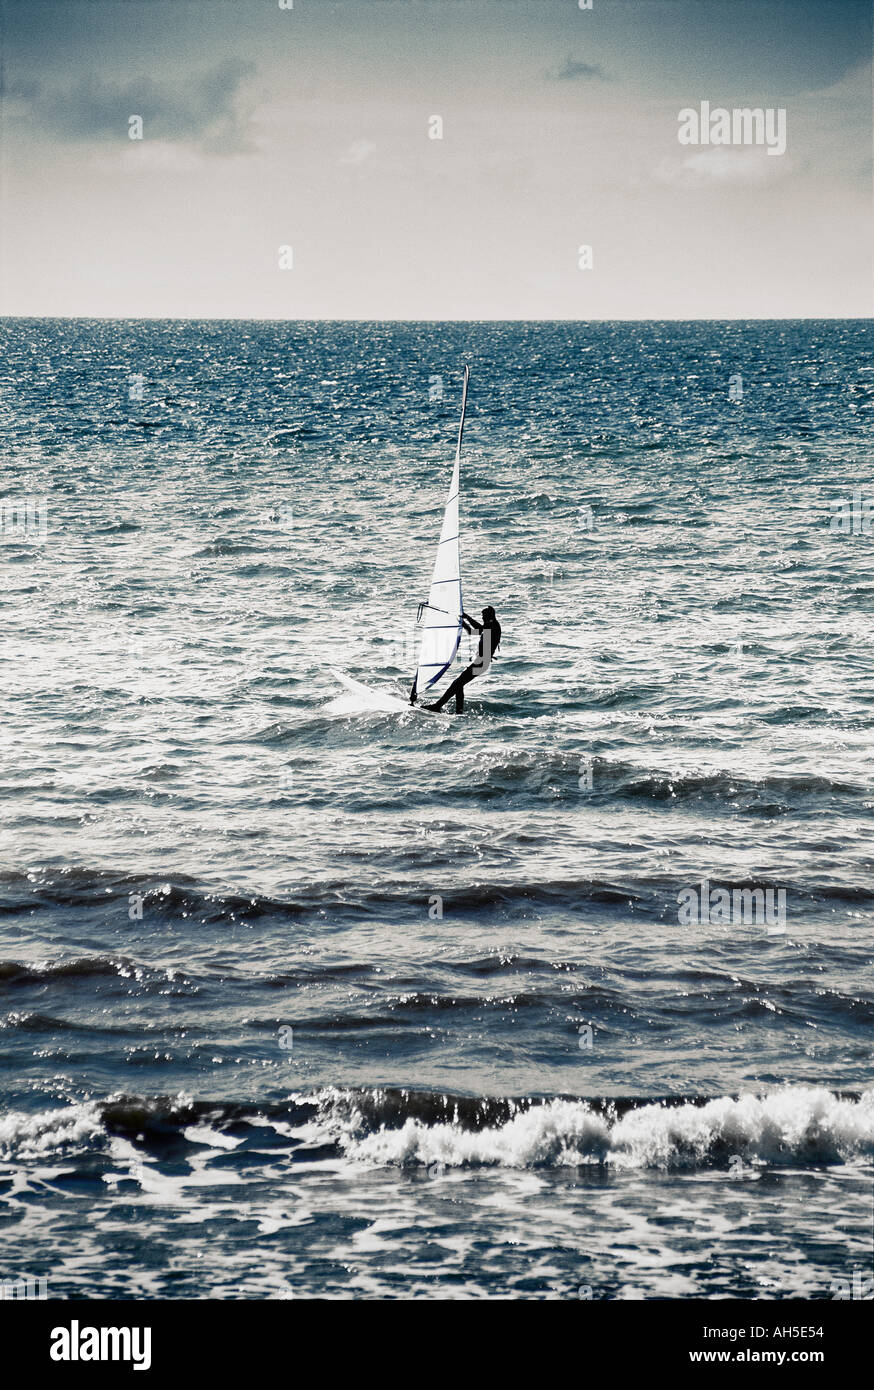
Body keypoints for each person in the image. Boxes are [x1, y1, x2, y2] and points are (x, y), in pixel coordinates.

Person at [423, 606, 501, 713]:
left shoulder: (493, 626)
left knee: (457, 683)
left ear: (489, 616)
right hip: (480, 662)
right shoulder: (490, 626)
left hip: (481, 663)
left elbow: (477, 629)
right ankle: (458, 711)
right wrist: (463, 622)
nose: (482, 618)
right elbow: (473, 631)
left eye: (483, 617)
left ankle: (438, 706)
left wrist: (466, 618)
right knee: (459, 684)